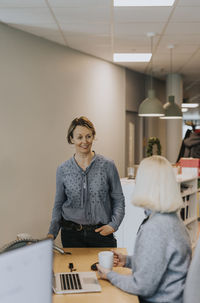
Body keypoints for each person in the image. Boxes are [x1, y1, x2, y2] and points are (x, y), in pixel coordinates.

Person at [97, 155, 192, 303]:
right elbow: (158, 263)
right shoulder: (172, 219)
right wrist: (127, 261)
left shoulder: (156, 228)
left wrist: (109, 275)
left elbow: (142, 286)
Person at [48, 116, 125, 248]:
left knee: (105, 269)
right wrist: (52, 233)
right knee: (74, 269)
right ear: (71, 139)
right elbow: (58, 204)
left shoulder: (107, 165)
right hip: (71, 236)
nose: (85, 141)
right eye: (79, 137)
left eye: (88, 136)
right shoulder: (63, 169)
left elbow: (119, 199)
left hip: (102, 234)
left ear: (93, 136)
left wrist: (113, 225)